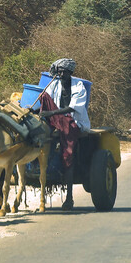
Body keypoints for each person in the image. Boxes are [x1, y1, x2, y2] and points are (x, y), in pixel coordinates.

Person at [38, 58, 90, 211]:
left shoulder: (79, 87)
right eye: (59, 71)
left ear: (71, 72)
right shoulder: (54, 83)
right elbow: (46, 99)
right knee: (43, 96)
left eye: (64, 71)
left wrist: (52, 113)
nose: (61, 74)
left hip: (72, 121)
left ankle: (69, 198)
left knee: (68, 155)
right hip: (54, 119)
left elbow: (73, 108)